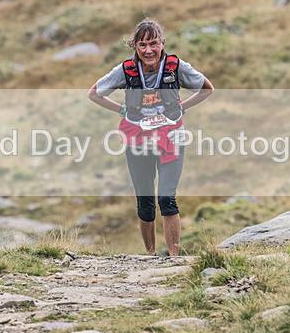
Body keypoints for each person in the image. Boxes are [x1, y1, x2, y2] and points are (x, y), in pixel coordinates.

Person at [88, 18, 214, 256]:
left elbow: (207, 88)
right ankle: (150, 256)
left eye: (153, 43)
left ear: (162, 43)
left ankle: (174, 257)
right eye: (142, 45)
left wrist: (181, 108)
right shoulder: (125, 70)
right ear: (135, 46)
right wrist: (121, 110)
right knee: (145, 203)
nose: (148, 50)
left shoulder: (176, 67)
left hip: (171, 137)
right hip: (138, 141)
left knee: (166, 198)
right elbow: (94, 94)